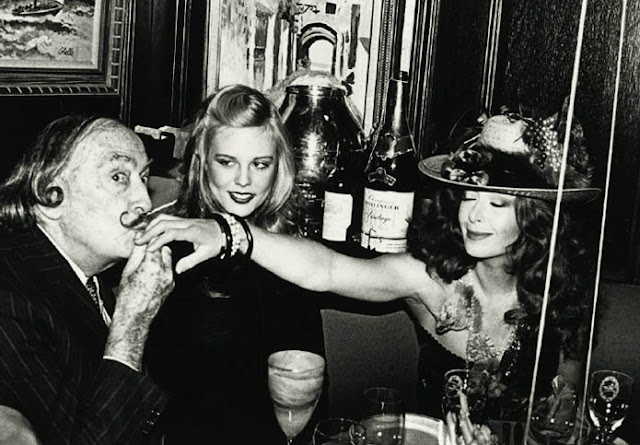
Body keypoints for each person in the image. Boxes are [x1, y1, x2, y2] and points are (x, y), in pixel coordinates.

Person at [138, 106, 600, 423]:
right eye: (468, 198)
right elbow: (326, 270)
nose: (474, 216)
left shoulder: (566, 291)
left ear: (537, 218)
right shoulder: (429, 279)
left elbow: (565, 402)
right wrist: (231, 233)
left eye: (497, 204)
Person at [143, 84, 325, 444]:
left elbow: (310, 386)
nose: (244, 180)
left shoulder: (291, 251)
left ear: (279, 166)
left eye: (260, 164)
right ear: (202, 160)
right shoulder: (174, 250)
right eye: (227, 162)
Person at [0, 115, 174, 444]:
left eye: (144, 177)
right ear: (50, 195)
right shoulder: (10, 304)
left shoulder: (87, 273)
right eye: (118, 176)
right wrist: (132, 322)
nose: (145, 201)